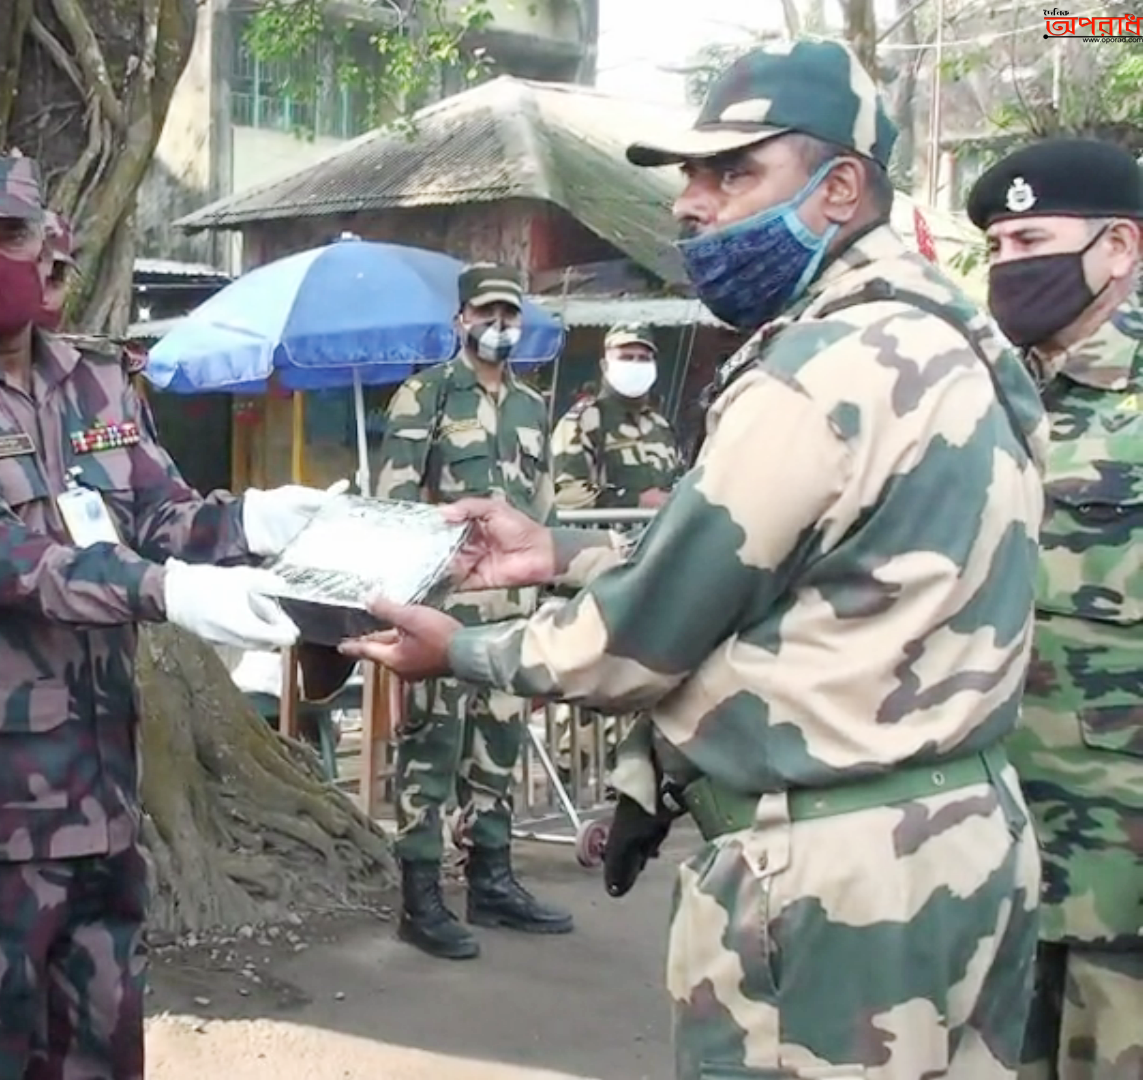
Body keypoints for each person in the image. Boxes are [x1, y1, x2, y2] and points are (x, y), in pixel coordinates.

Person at [344, 38, 1048, 1079]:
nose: (690, 203)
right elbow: (807, 575)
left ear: (839, 188)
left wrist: (462, 652)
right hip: (964, 840)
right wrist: (566, 553)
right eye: (688, 174)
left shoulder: (817, 372)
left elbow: (635, 642)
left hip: (835, 883)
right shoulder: (954, 343)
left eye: (733, 172)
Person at [0, 154, 338, 1079]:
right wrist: (166, 591)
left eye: (13, 235)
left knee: (102, 1058)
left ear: (47, 248)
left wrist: (258, 519)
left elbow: (162, 513)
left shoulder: (99, 381)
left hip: (105, 803)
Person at [966, 137, 1143, 1080]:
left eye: (1031, 237)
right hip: (997, 853)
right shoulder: (996, 396)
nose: (1009, 265)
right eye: (995, 246)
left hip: (1126, 883)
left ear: (1120, 247)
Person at [371, 263, 572, 961]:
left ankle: (491, 879)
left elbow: (542, 511)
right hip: (441, 604)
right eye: (488, 313)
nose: (500, 327)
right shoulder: (425, 395)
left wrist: (546, 599)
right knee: (431, 748)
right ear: (461, 319)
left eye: (511, 316)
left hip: (512, 611)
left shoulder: (531, 406)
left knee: (500, 746)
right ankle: (419, 898)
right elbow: (394, 503)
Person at [549, 323, 680, 511]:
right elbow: (564, 493)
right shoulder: (585, 420)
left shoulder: (661, 425)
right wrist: (633, 500)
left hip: (661, 537)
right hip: (606, 537)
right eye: (626, 357)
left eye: (643, 359)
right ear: (604, 365)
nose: (635, 365)